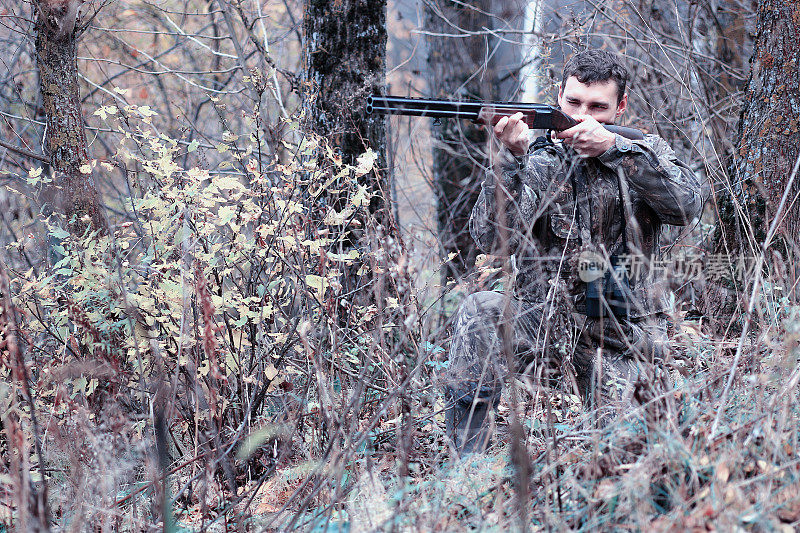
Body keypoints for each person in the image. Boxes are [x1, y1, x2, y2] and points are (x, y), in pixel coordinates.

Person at [444, 49, 706, 454]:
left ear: (620, 107)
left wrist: (614, 150)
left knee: (629, 452)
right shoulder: (539, 158)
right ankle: (466, 468)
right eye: (574, 104)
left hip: (621, 333)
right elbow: (493, 240)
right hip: (543, 321)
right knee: (480, 311)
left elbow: (687, 205)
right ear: (558, 98)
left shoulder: (643, 151)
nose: (584, 115)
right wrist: (510, 159)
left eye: (598, 107)